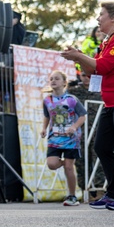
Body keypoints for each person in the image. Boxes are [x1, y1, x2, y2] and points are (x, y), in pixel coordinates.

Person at [61, 1, 114, 211]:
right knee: (102, 147)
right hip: (113, 103)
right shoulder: (109, 41)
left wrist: (79, 56)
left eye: (101, 14)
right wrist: (78, 56)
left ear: (113, 18)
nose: (98, 19)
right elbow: (96, 70)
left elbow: (103, 66)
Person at [41, 70, 87, 206]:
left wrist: (74, 127)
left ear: (64, 82)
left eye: (57, 79)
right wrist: (44, 128)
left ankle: (72, 196)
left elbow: (82, 116)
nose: (53, 81)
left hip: (70, 139)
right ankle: (66, 165)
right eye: (51, 79)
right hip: (54, 139)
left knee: (69, 167)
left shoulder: (72, 99)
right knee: (52, 164)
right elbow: (47, 116)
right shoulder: (47, 100)